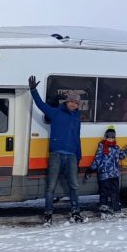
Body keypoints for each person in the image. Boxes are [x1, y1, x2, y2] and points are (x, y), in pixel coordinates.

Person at [28, 75, 84, 224]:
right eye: (71, 101)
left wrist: (79, 157)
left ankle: (75, 212)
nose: (73, 104)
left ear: (78, 105)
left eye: (76, 102)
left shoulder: (77, 118)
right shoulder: (56, 113)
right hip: (56, 155)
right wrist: (33, 90)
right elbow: (41, 105)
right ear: (67, 102)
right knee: (50, 187)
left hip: (71, 156)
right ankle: (48, 214)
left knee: (74, 186)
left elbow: (77, 138)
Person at [84, 126, 127, 217]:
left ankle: (117, 210)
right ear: (105, 136)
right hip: (104, 175)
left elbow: (123, 155)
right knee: (104, 193)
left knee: (115, 193)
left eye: (113, 136)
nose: (111, 138)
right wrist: (91, 169)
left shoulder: (116, 148)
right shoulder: (101, 146)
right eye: (109, 135)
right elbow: (97, 159)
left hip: (114, 175)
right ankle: (103, 212)